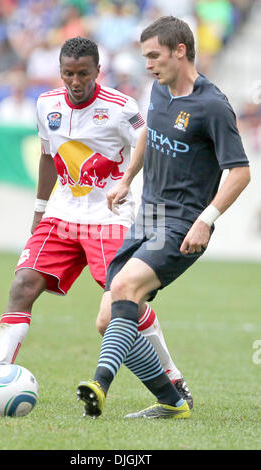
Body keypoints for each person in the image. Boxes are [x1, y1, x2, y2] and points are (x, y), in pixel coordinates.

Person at [0, 37, 191, 405]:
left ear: (97, 71)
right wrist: (39, 211)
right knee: (22, 284)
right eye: (68, 73)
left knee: (126, 298)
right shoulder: (46, 104)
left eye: (83, 73)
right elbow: (46, 155)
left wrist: (138, 192)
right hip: (61, 215)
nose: (75, 81)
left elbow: (149, 144)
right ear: (60, 72)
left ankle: (173, 377)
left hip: (109, 218)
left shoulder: (121, 108)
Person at [76, 16, 250, 420]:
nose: (149, 64)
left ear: (180, 51)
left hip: (182, 222)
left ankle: (99, 384)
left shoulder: (212, 106)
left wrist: (206, 219)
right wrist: (126, 179)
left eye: (154, 56)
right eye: (145, 57)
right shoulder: (158, 90)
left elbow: (240, 171)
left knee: (123, 286)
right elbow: (147, 134)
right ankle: (172, 400)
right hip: (148, 213)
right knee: (107, 320)